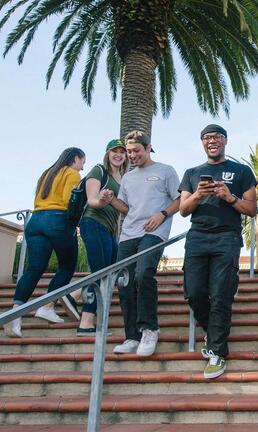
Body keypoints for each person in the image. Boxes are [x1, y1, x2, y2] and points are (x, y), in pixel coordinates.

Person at [179, 124, 257, 379]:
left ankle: (217, 352)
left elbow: (252, 209)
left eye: (216, 137)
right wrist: (199, 195)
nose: (212, 141)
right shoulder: (192, 173)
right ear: (202, 142)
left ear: (225, 140)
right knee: (194, 292)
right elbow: (183, 209)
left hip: (227, 237)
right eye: (207, 138)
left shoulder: (242, 171)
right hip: (198, 238)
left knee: (221, 294)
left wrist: (229, 197)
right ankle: (213, 332)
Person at [102, 130, 180, 357]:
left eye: (136, 151)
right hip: (129, 233)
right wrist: (112, 201)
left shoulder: (165, 171)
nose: (132, 155)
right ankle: (132, 336)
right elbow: (126, 209)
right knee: (124, 282)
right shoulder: (127, 177)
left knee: (143, 273)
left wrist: (162, 214)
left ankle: (149, 328)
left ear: (148, 148)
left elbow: (180, 199)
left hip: (155, 232)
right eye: (129, 152)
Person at [4, 147, 85, 338]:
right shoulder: (71, 173)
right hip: (57, 220)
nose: (82, 167)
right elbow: (68, 201)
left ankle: (15, 314)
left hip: (35, 221)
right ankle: (47, 307)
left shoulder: (47, 173)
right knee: (67, 266)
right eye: (82, 162)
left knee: (34, 269)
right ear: (75, 159)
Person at [75, 139, 129, 336]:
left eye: (122, 151)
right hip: (93, 223)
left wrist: (113, 201)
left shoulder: (122, 177)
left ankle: (74, 295)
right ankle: (86, 323)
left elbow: (123, 208)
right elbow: (92, 201)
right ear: (107, 153)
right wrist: (104, 199)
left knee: (114, 268)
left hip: (108, 230)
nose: (119, 154)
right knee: (101, 274)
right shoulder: (99, 171)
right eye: (114, 151)